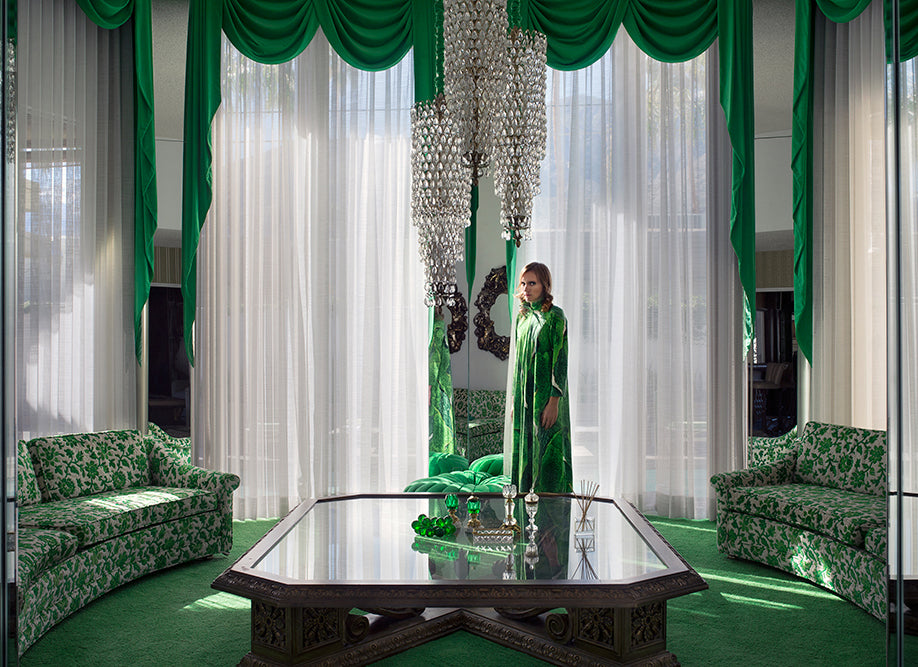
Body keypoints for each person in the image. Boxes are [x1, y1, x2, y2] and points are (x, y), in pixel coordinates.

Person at [509, 262, 573, 494]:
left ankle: (551, 507)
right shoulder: (523, 317)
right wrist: (516, 400)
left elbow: (560, 361)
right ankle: (522, 506)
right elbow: (518, 363)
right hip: (524, 397)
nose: (526, 288)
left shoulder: (555, 316)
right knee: (525, 451)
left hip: (546, 396)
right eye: (523, 283)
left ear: (545, 285)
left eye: (532, 283)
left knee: (546, 449)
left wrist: (554, 402)